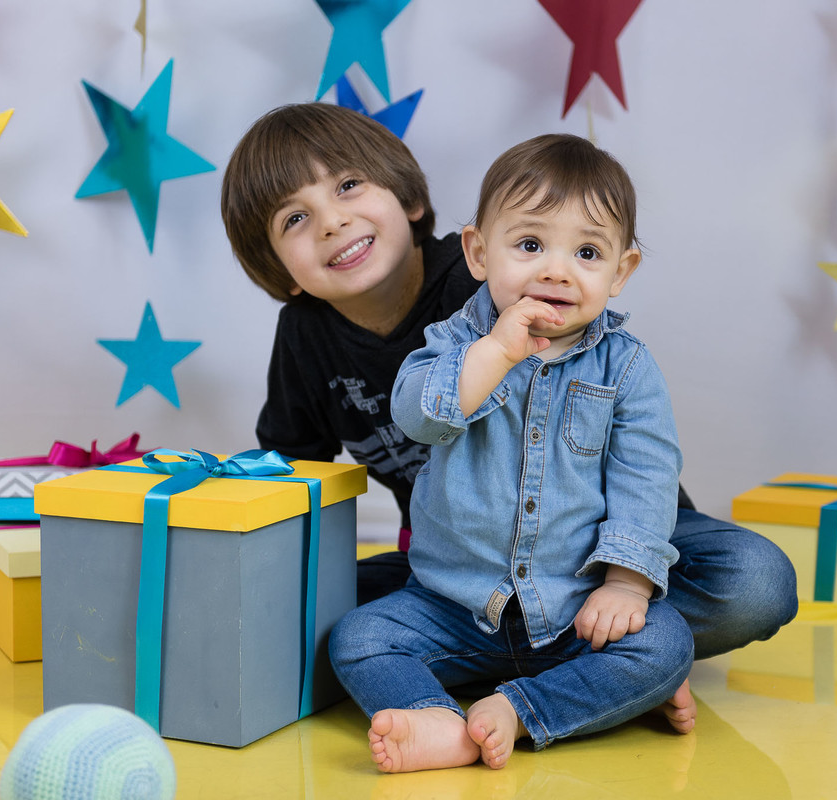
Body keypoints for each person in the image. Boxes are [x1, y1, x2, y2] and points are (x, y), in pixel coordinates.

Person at [219, 103, 797, 747]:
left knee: (755, 580)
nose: (333, 221)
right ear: (277, 267)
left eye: (349, 185)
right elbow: (296, 470)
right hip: (462, 565)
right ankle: (593, 678)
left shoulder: (498, 281)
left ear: (408, 199)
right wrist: (279, 587)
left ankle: (611, 653)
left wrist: (628, 581)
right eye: (295, 219)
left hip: (609, 530)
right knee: (303, 611)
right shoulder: (309, 335)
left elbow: (643, 463)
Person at [330, 132, 703, 771]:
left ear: (621, 271)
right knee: (358, 638)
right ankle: (440, 724)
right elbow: (417, 417)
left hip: (570, 609)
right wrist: (496, 354)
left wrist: (627, 585)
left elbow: (648, 474)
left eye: (588, 252)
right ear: (478, 252)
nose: (556, 270)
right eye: (530, 245)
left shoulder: (629, 369)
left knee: (666, 645)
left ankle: (522, 711)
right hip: (453, 607)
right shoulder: (452, 344)